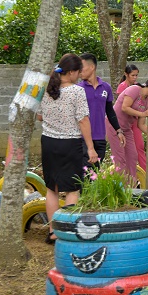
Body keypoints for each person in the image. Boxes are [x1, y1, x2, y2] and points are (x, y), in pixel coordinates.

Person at [37, 53, 99, 244]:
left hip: (48, 142)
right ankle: (67, 230)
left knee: (52, 189)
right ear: (71, 72)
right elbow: (83, 120)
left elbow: (39, 116)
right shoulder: (76, 91)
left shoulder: (46, 89)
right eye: (78, 72)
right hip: (69, 144)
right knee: (72, 189)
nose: (80, 76)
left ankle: (53, 232)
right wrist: (91, 148)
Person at [106, 78, 148, 185]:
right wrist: (142, 114)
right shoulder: (134, 89)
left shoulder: (146, 102)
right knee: (120, 160)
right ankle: (120, 187)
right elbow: (125, 107)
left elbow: (141, 125)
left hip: (126, 129)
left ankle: (131, 187)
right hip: (114, 126)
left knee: (132, 157)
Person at [77, 53, 125, 168]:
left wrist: (118, 130)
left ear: (92, 67)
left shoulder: (106, 87)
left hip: (100, 138)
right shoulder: (78, 89)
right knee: (86, 174)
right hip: (83, 139)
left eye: (81, 67)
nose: (79, 71)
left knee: (95, 173)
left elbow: (109, 111)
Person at [115, 64, 145, 169]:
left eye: (136, 75)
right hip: (124, 122)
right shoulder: (122, 87)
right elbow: (124, 107)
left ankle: (145, 172)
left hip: (135, 121)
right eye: (133, 75)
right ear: (126, 74)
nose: (135, 78)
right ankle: (125, 170)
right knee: (125, 148)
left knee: (140, 146)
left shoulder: (138, 86)